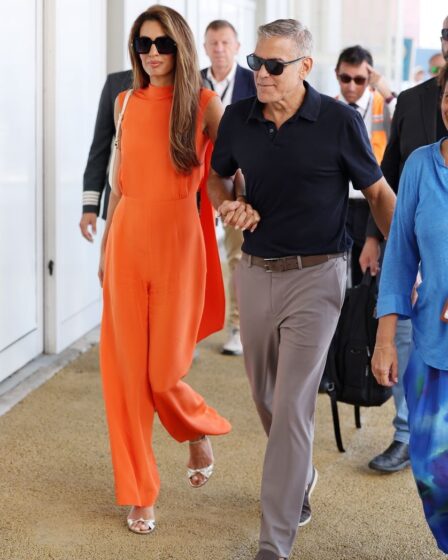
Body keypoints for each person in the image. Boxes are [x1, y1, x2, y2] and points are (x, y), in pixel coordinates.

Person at [208, 18, 396, 560]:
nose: (261, 75)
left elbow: (379, 194)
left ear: (304, 67)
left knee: (292, 405)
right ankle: (301, 475)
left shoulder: (338, 121)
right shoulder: (240, 119)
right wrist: (228, 203)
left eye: (273, 65)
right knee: (265, 397)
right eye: (256, 64)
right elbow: (218, 177)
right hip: (257, 270)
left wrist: (410, 258)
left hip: (319, 275)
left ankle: (275, 540)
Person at [99, 5, 231, 535]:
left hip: (180, 245)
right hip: (127, 242)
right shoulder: (124, 102)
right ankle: (140, 493)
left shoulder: (204, 104)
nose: (152, 53)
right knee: (126, 378)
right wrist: (108, 238)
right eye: (143, 44)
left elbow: (232, 168)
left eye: (163, 44)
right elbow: (119, 178)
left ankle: (197, 429)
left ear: (181, 47)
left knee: (162, 373)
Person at [363, 14, 448, 473]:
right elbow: (389, 172)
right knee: (405, 337)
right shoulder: (414, 101)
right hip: (415, 239)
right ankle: (404, 431)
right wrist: (375, 237)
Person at [372, 61, 448, 556]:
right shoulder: (421, 164)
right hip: (430, 345)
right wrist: (384, 337)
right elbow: (400, 255)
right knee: (430, 470)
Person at [201, 19, 256, 356]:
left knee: (238, 256)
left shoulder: (255, 83)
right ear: (205, 48)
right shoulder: (192, 83)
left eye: (225, 43)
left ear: (237, 47)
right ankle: (190, 327)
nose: (219, 49)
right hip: (197, 185)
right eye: (213, 43)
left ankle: (238, 325)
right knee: (197, 259)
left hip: (239, 183)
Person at [335, 45, 396, 286]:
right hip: (340, 201)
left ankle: (362, 321)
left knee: (368, 273)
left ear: (369, 78)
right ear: (336, 74)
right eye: (345, 78)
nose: (351, 86)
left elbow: (408, 122)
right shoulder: (331, 107)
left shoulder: (383, 104)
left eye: (359, 79)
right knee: (338, 270)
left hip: (372, 201)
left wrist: (385, 89)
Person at [80, 70, 133, 241]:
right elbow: (99, 149)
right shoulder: (115, 84)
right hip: (118, 202)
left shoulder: (180, 84)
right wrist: (90, 206)